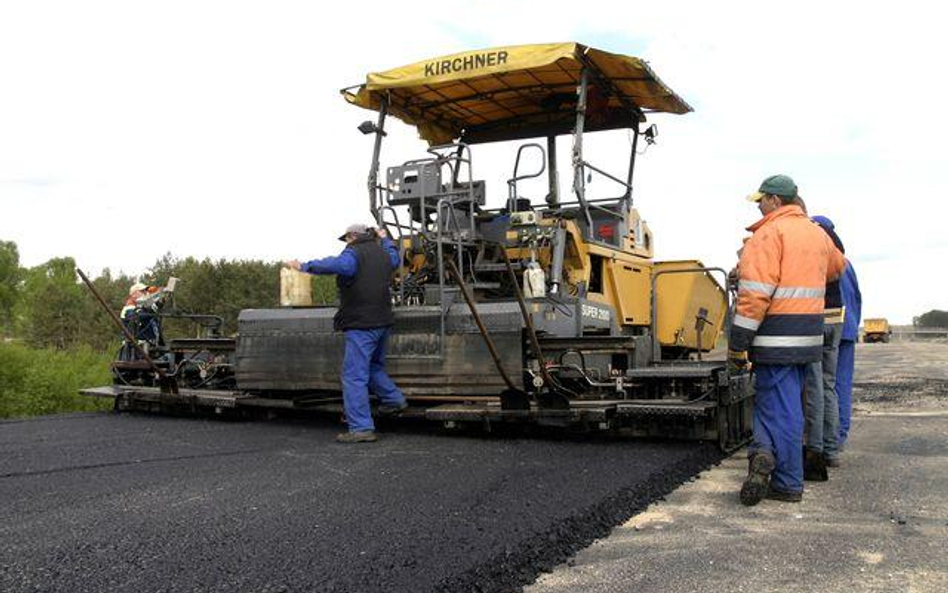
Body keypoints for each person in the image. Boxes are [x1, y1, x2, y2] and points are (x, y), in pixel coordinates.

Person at [730, 174, 845, 505]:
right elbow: (838, 267)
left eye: (761, 200)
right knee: (777, 403)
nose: (760, 206)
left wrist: (738, 342)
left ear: (776, 201)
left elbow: (754, 296)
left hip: (775, 336)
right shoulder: (816, 233)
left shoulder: (767, 234)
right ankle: (762, 453)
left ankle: (788, 482)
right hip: (808, 336)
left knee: (781, 410)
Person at [285, 223, 407, 443]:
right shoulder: (384, 253)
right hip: (383, 322)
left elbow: (335, 264)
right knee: (373, 367)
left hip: (362, 325)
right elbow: (395, 256)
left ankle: (361, 428)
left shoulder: (353, 254)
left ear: (352, 236)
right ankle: (394, 401)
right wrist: (385, 237)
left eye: (347, 239)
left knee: (354, 376)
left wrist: (303, 265)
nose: (347, 243)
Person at [803, 215, 847, 478]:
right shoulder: (837, 245)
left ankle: (815, 450)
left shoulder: (813, 239)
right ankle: (832, 451)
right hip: (836, 319)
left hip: (817, 317)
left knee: (814, 386)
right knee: (829, 386)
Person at [835, 258, 862, 456]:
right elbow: (857, 298)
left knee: (823, 387)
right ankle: (839, 437)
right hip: (848, 327)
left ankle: (829, 438)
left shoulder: (820, 255)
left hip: (829, 326)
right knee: (842, 384)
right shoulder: (846, 263)